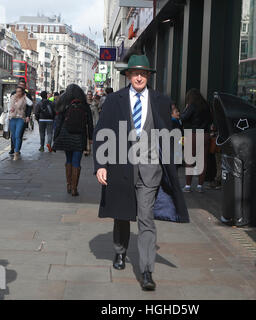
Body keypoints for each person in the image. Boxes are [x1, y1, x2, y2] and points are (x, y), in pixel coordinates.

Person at [93, 54, 189, 291]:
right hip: (120, 168)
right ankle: (120, 251)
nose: (139, 77)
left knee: (146, 219)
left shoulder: (161, 101)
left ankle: (147, 271)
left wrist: (174, 164)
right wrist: (101, 165)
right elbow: (101, 132)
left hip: (150, 170)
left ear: (148, 76)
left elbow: (168, 134)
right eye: (135, 73)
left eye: (143, 73)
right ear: (128, 76)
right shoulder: (114, 100)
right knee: (122, 215)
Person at [53, 84, 93, 196]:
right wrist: (90, 137)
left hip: (66, 135)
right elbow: (90, 123)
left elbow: (59, 123)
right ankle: (75, 188)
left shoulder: (64, 105)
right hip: (80, 136)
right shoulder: (85, 106)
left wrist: (55, 138)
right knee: (77, 161)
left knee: (68, 160)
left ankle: (69, 185)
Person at [180, 88, 212, 193]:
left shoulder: (191, 106)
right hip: (205, 135)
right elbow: (211, 120)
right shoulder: (206, 106)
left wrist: (186, 108)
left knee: (190, 161)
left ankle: (188, 186)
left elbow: (183, 118)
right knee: (203, 161)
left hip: (193, 134)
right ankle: (200, 186)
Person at [9, 79, 33, 155]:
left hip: (22, 117)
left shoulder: (27, 95)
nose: (21, 86)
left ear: (25, 86)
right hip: (13, 117)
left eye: (23, 85)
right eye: (20, 85)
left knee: (19, 134)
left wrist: (28, 116)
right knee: (13, 135)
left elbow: (30, 107)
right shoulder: (13, 94)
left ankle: (17, 149)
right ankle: (13, 148)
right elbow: (10, 104)